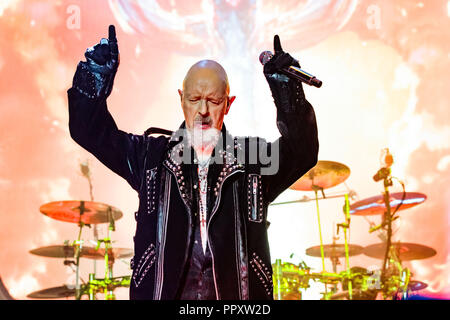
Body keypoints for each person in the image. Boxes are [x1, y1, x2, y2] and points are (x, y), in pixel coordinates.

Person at [68, 25, 318, 300]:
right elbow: (90, 131)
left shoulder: (252, 162)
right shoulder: (151, 158)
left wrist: (287, 92)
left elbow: (301, 150)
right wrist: (94, 76)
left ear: (228, 104)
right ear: (181, 100)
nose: (202, 111)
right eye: (194, 99)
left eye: (212, 100)